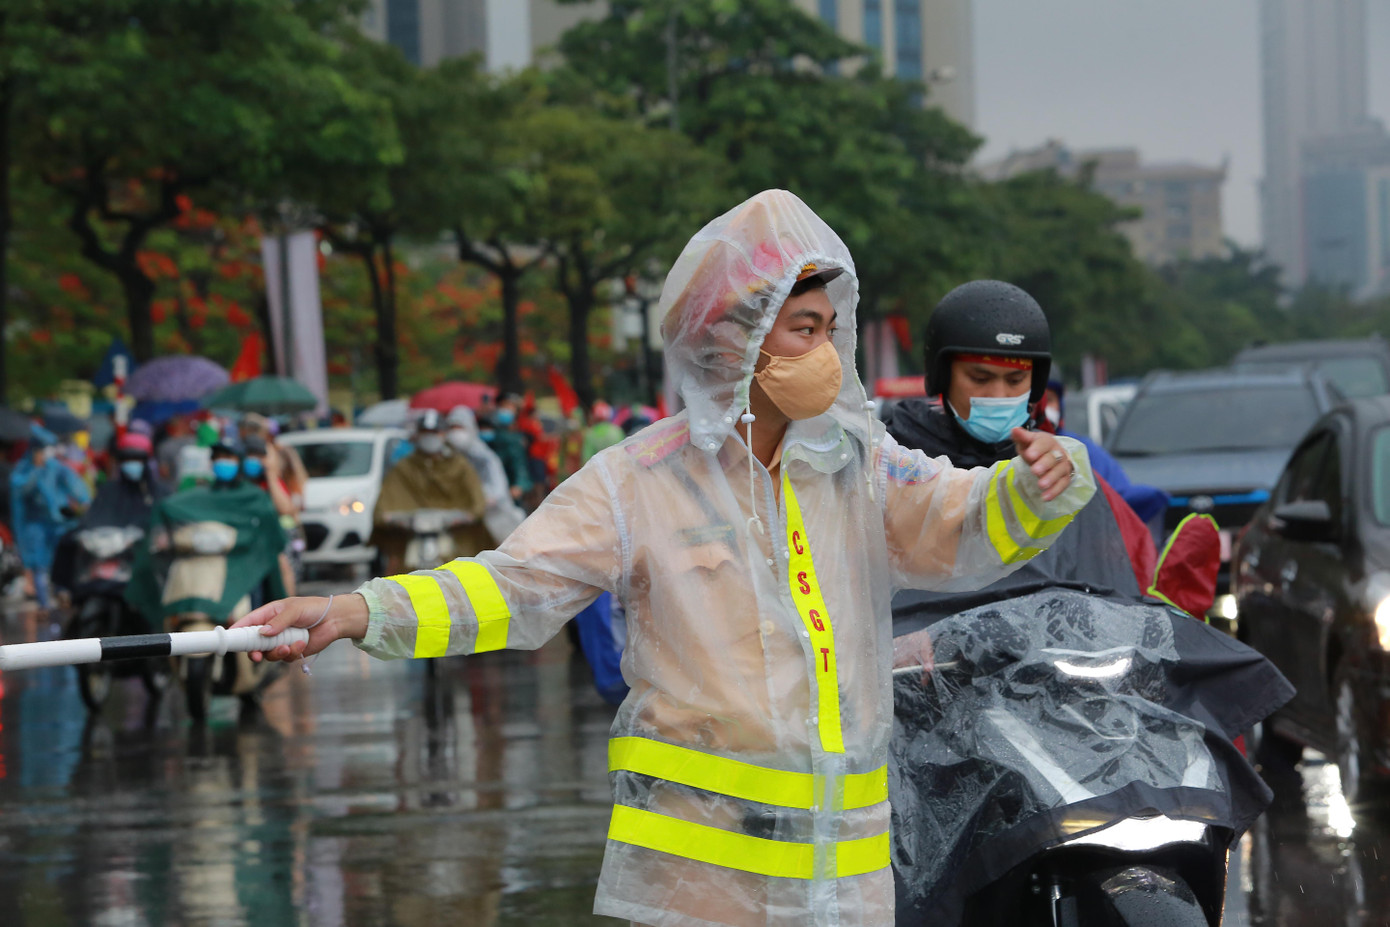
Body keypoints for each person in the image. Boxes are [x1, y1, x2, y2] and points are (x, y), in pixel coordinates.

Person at [233, 190, 1094, 927]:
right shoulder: (637, 481)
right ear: (737, 335)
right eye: (803, 328)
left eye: (831, 328)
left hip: (846, 886)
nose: (827, 351)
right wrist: (353, 612)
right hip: (698, 891)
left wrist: (1037, 485)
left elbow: (959, 519)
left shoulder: (857, 463)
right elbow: (513, 585)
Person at [881, 281, 1159, 633]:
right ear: (941, 374)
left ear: (1037, 383)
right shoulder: (894, 467)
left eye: (1015, 380)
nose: (998, 395)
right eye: (980, 378)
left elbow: (1110, 594)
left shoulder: (1056, 467)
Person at [369, 409, 491, 574]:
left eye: (435, 432)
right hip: (411, 538)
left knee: (469, 574)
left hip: (454, 536)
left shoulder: (460, 466)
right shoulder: (404, 467)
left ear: (444, 434)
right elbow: (384, 505)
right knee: (395, 576)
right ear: (417, 435)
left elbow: (476, 502)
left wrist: (466, 516)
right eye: (425, 432)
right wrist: (393, 518)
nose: (430, 437)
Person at [1038, 378, 1170, 526]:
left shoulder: (1081, 449)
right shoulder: (1010, 449)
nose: (1041, 407)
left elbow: (1119, 495)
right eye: (1035, 399)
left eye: (1049, 400)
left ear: (1060, 404)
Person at [12, 424, 90, 609]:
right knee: (39, 566)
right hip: (35, 527)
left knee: (62, 561)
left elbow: (73, 482)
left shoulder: (55, 467)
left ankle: (62, 593)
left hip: (59, 525)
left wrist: (83, 500)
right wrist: (36, 471)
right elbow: (20, 490)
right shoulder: (24, 470)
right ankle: (44, 605)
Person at [445, 406, 527, 544]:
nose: (456, 432)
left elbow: (497, 488)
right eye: (452, 427)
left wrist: (484, 500)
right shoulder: (446, 456)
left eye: (459, 427)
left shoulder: (484, 455)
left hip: (493, 516)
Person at [481, 396, 533, 502]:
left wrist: (519, 484)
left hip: (508, 486)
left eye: (510, 407)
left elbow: (519, 462)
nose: (505, 410)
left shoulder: (517, 435)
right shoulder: (490, 425)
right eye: (504, 406)